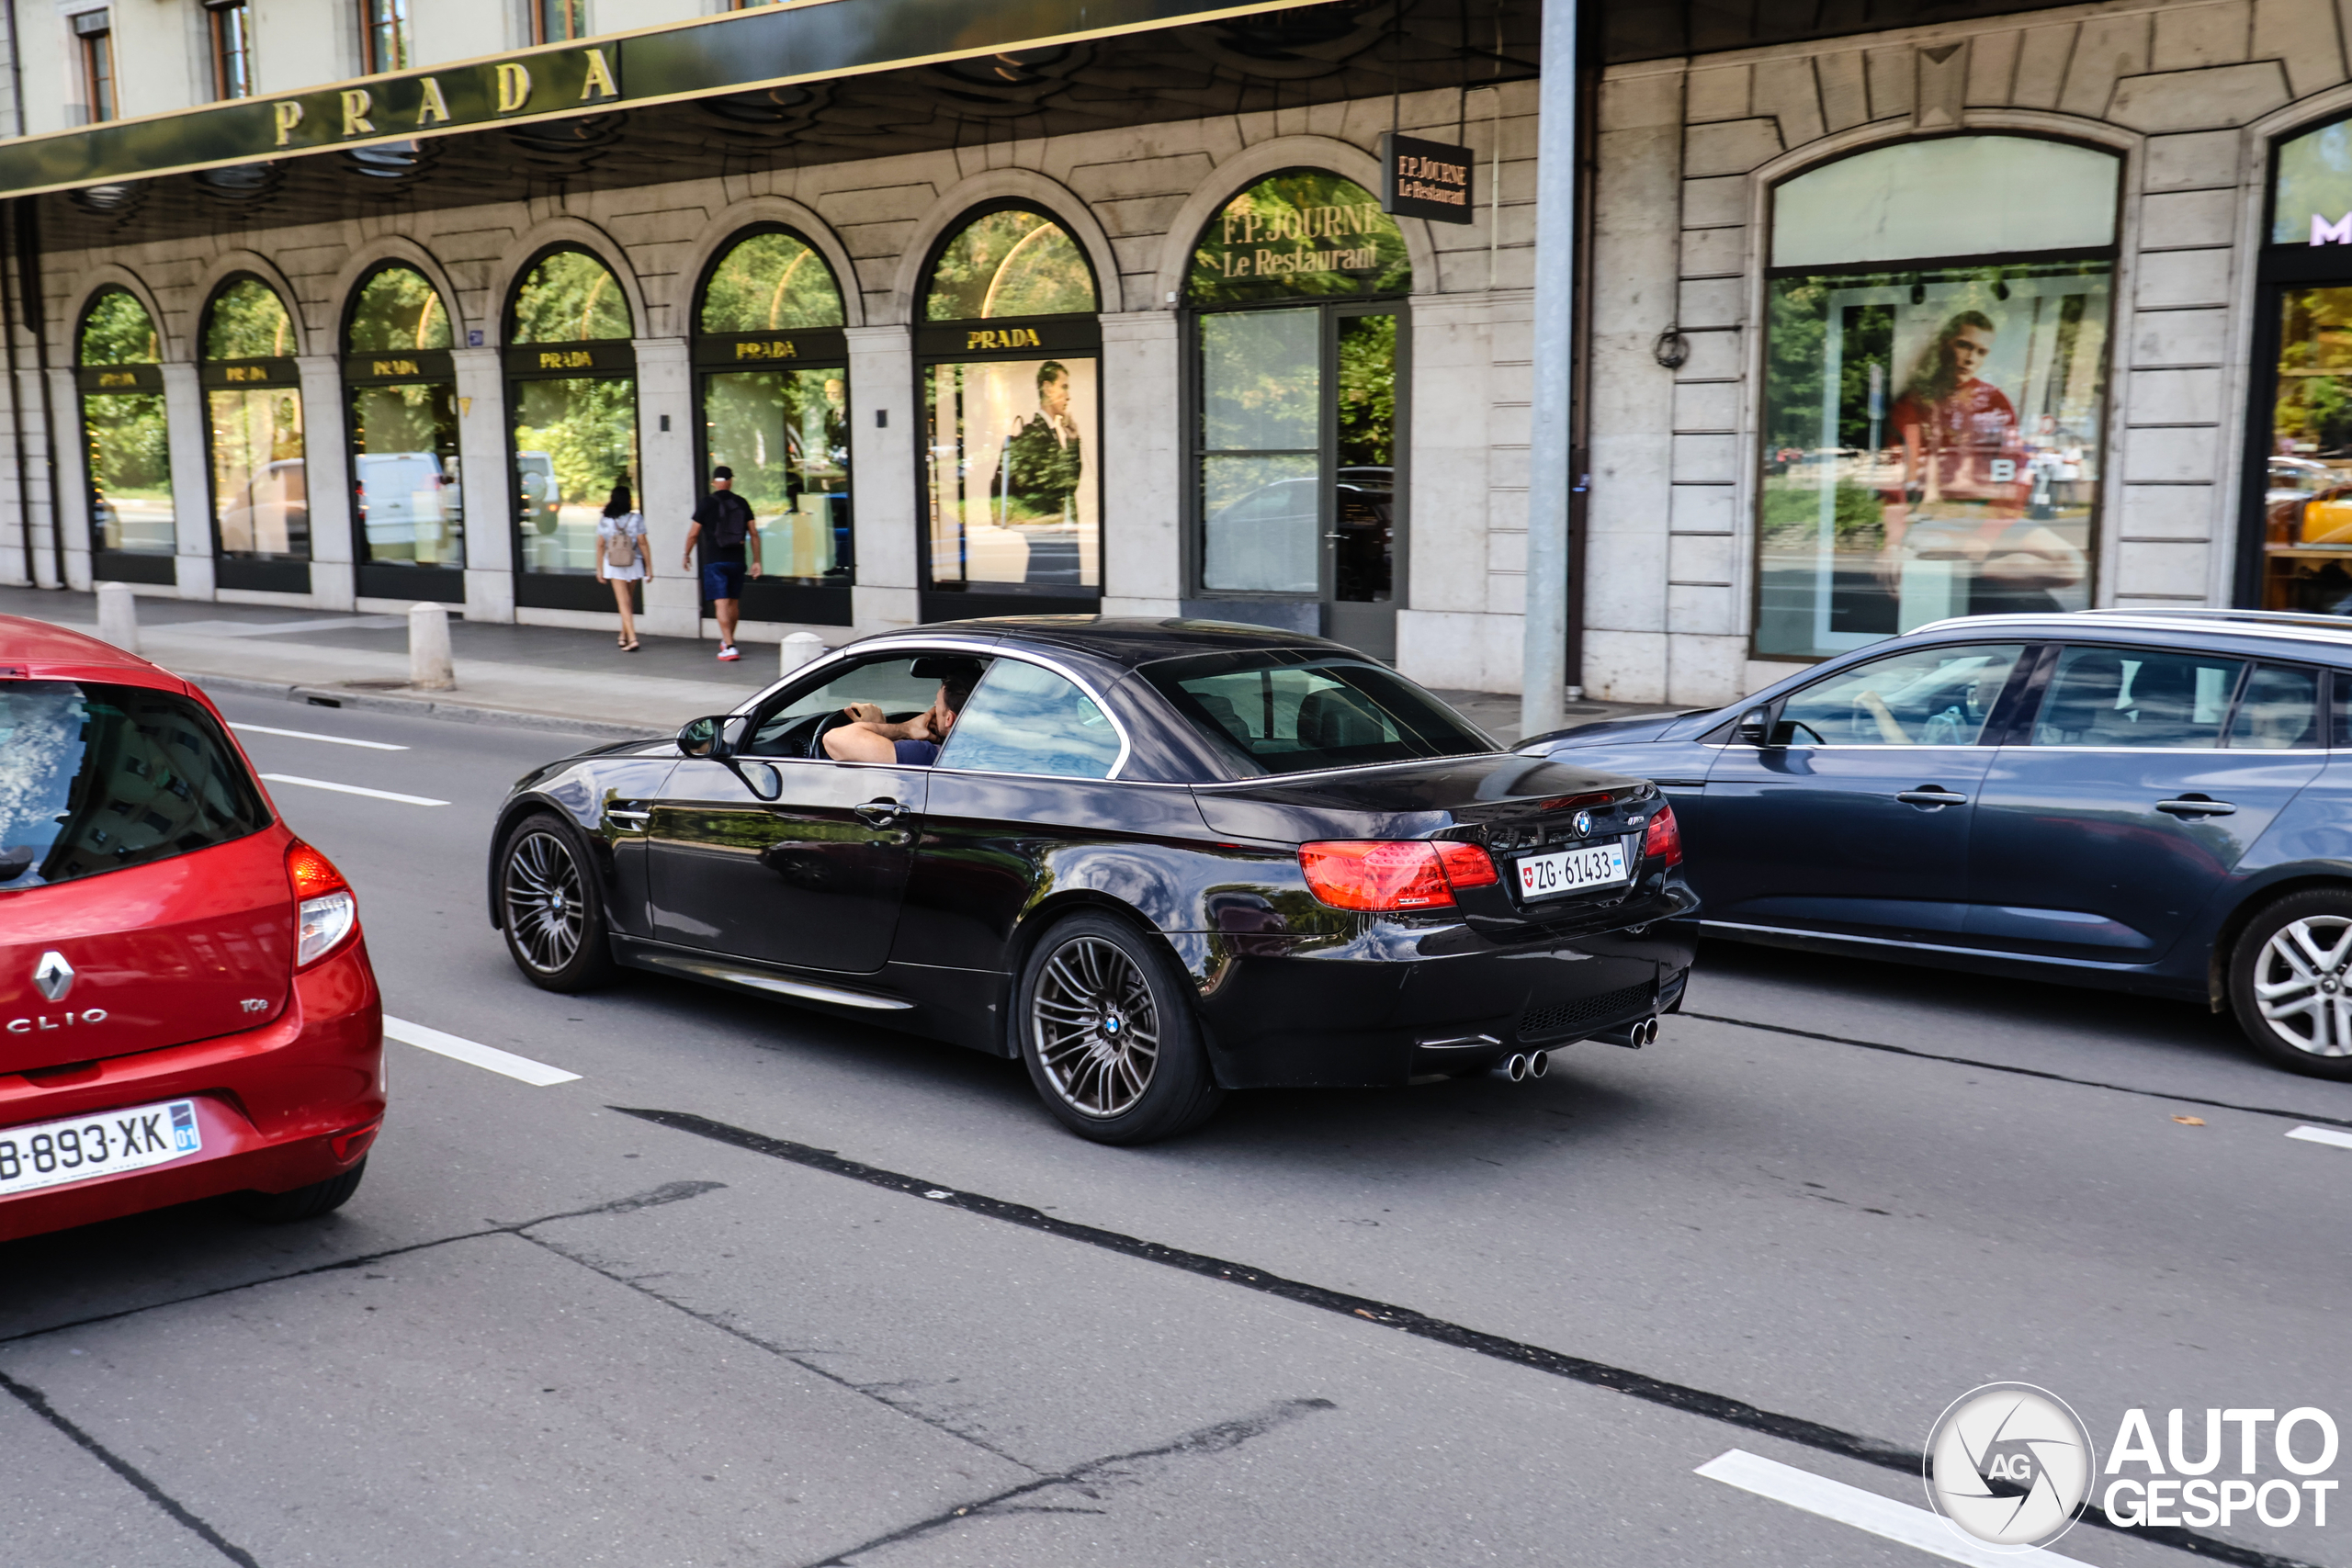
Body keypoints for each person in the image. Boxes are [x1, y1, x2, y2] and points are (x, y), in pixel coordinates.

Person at [822, 663, 981, 765]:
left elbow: (833, 740)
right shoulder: (988, 750)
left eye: (937, 705)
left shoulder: (928, 755)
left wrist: (907, 728)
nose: (932, 709)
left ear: (949, 719)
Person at [683, 465, 762, 661]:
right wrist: (757, 561)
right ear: (730, 481)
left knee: (721, 603)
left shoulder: (707, 503)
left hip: (715, 560)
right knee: (733, 603)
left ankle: (731, 646)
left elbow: (693, 533)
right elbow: (753, 533)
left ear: (713, 482)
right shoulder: (741, 502)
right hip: (737, 560)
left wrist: (686, 554)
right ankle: (728, 641)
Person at [990, 360, 1082, 525]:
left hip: (1053, 534)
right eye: (1064, 387)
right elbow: (1065, 484)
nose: (1068, 396)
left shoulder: (1047, 433)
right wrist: (1073, 444)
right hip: (1048, 535)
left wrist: (1072, 440)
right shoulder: (1035, 436)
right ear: (1047, 389)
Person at [594, 479, 648, 653]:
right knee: (628, 600)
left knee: (623, 602)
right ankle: (623, 636)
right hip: (634, 561)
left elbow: (600, 544)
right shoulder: (636, 518)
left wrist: (599, 569)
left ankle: (631, 638)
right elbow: (643, 542)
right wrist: (650, 567)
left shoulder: (606, 519)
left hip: (614, 563)